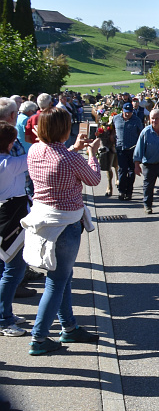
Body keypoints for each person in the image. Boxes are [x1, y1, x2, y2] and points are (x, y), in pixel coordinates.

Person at [24, 107, 101, 355]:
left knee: (63, 276)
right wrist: (92, 154)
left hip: (44, 220)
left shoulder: (35, 150)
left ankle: (69, 326)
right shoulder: (70, 158)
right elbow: (94, 179)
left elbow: (57, 160)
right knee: (56, 282)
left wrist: (75, 149)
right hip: (66, 225)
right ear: (63, 129)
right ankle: (39, 338)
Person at [0, 107, 31, 336]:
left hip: (7, 215)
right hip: (10, 219)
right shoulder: (9, 165)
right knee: (14, 270)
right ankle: (3, 319)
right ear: (9, 144)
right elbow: (34, 157)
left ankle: (6, 313)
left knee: (10, 271)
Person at [111, 102, 142, 201]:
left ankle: (129, 192)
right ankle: (122, 191)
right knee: (122, 170)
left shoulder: (136, 120)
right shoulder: (116, 119)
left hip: (133, 149)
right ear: (122, 111)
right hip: (121, 149)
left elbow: (141, 134)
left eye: (130, 112)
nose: (128, 114)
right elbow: (111, 130)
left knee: (132, 172)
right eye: (126, 112)